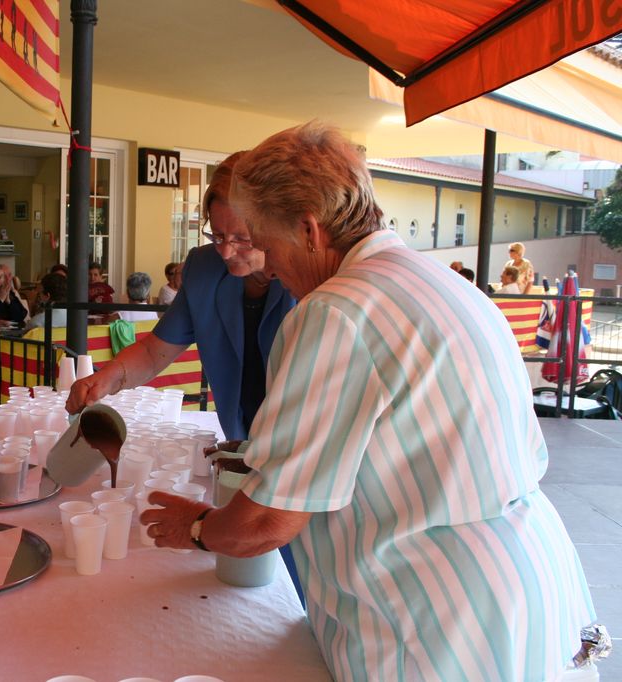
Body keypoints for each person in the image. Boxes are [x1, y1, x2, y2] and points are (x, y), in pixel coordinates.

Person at [141, 123, 594, 681]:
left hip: (432, 615)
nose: (266, 260)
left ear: (308, 229)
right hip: (519, 581)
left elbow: (267, 520)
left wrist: (197, 528)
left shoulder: (337, 310)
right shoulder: (440, 282)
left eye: (263, 238)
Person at [68, 151, 302, 601]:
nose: (227, 250)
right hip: (242, 441)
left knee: (289, 570)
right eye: (218, 234)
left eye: (244, 238)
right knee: (248, 588)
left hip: (299, 446)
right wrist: (107, 377)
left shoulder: (301, 275)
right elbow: (157, 350)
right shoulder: (204, 268)